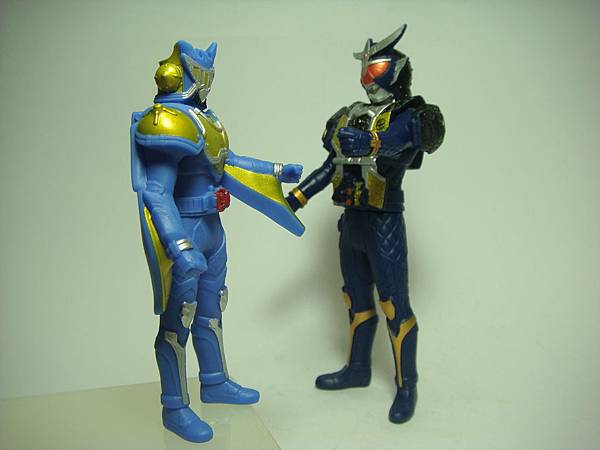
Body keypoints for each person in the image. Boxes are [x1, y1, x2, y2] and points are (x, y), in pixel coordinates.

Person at [130, 40, 303, 442]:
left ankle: (214, 381)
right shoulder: (166, 122)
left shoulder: (205, 120)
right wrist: (179, 246)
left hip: (211, 230)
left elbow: (229, 164)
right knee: (178, 322)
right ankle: (175, 407)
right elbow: (157, 192)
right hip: (187, 229)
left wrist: (277, 170)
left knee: (211, 311)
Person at [286, 25, 445, 423]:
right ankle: (358, 369)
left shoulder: (409, 117)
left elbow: (406, 141)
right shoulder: (350, 115)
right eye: (365, 70)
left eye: (374, 70)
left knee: (394, 305)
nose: (368, 79)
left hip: (384, 222)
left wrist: (374, 144)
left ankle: (407, 386)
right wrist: (297, 198)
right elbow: (332, 165)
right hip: (352, 222)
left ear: (393, 71)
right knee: (355, 300)